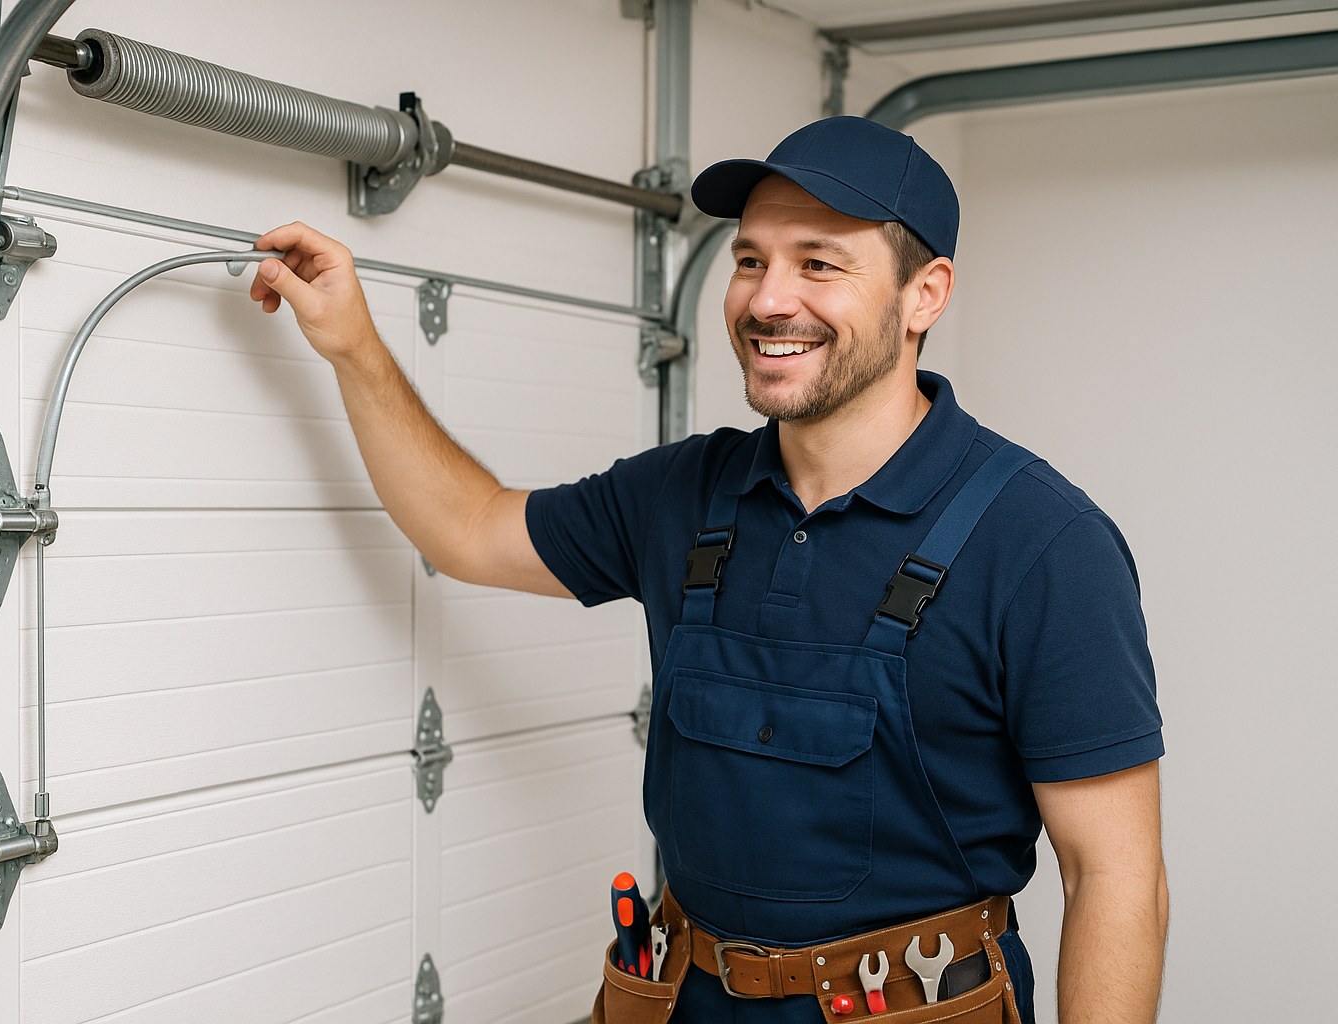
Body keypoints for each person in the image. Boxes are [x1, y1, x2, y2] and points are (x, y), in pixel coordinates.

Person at [248, 116, 1168, 1024]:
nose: (769, 299)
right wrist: (355, 345)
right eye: (750, 259)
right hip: (682, 998)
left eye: (819, 263)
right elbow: (468, 529)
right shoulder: (685, 492)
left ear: (925, 294)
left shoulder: (1043, 545)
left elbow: (1115, 878)